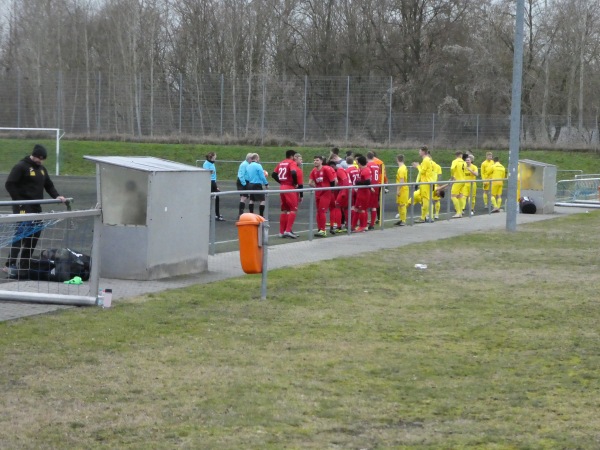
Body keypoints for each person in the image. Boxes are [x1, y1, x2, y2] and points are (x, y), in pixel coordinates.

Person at [4, 144, 67, 276]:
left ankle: (25, 263)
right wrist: (20, 201)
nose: (41, 160)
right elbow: (9, 184)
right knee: (22, 233)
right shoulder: (21, 166)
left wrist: (57, 196)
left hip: (36, 207)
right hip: (23, 207)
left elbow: (48, 185)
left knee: (35, 234)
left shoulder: (42, 169)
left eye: (43, 159)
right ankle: (10, 264)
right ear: (34, 155)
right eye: (39, 158)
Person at [272, 149, 302, 239]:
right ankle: (288, 230)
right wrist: (295, 183)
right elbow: (293, 172)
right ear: (292, 156)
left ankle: (281, 232)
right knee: (293, 209)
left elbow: (273, 174)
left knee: (284, 210)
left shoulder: (281, 163)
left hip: (282, 187)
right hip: (289, 187)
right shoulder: (291, 163)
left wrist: (281, 182)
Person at [309, 155, 337, 237]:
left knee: (322, 211)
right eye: (314, 160)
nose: (315, 162)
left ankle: (324, 230)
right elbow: (310, 182)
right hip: (318, 193)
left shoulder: (326, 169)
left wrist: (330, 190)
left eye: (317, 160)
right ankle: (320, 229)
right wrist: (317, 187)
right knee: (319, 211)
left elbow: (333, 181)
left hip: (326, 193)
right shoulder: (313, 170)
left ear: (321, 161)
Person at [411, 146, 434, 223]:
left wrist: (418, 166)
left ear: (423, 152)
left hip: (426, 182)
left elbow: (422, 172)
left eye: (420, 151)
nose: (419, 152)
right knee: (425, 199)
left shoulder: (426, 160)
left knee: (426, 200)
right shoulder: (427, 160)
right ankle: (425, 216)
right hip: (426, 182)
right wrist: (418, 166)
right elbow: (424, 170)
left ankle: (423, 217)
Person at [352, 155, 372, 232]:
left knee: (361, 210)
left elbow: (367, 182)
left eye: (357, 161)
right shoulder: (362, 169)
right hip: (361, 192)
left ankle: (362, 226)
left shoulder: (365, 170)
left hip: (364, 193)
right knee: (357, 209)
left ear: (359, 163)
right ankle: (353, 226)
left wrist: (358, 183)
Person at [203, 152, 224, 221]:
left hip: (213, 182)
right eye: (215, 156)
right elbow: (207, 173)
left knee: (216, 198)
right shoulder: (206, 164)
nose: (216, 157)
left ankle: (216, 214)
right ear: (212, 157)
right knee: (213, 198)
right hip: (210, 182)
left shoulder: (212, 163)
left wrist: (216, 186)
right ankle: (215, 215)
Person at [366, 152, 382, 229]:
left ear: (367, 157)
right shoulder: (377, 165)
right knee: (374, 206)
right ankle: (372, 224)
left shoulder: (368, 165)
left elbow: (368, 176)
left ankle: (365, 223)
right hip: (376, 186)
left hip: (370, 186)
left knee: (365, 206)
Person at [450, 151, 467, 218]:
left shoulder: (455, 161)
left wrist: (452, 176)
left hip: (458, 180)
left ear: (456, 155)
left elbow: (452, 168)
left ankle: (458, 212)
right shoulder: (464, 162)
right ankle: (461, 211)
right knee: (459, 196)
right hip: (463, 180)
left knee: (453, 196)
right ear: (461, 155)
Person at [237, 153, 253, 217]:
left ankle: (241, 213)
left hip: (244, 181)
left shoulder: (247, 164)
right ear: (249, 158)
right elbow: (241, 175)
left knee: (244, 197)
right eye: (252, 159)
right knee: (243, 197)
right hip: (242, 182)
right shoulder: (244, 164)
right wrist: (244, 184)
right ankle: (240, 213)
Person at [394, 154, 409, 226]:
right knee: (399, 204)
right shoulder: (402, 168)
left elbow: (402, 181)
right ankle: (401, 219)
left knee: (402, 204)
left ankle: (403, 220)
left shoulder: (402, 169)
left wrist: (398, 190)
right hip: (401, 188)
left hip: (403, 189)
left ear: (397, 159)